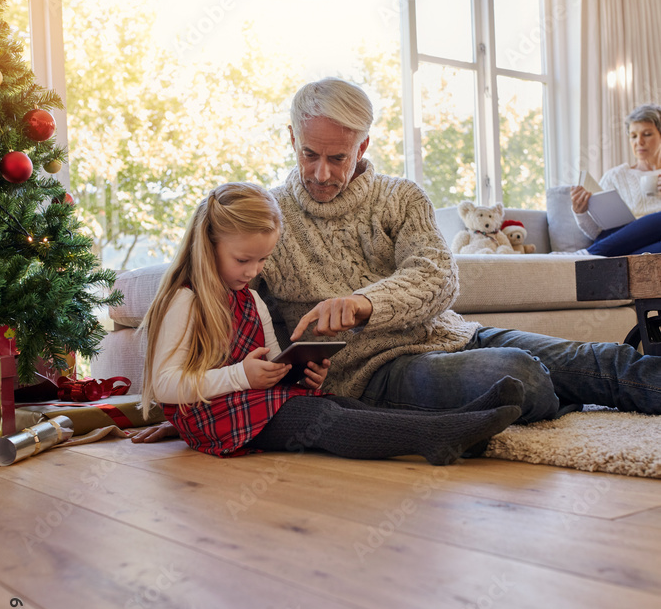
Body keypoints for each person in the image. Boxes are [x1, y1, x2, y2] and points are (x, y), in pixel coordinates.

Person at [134, 79, 661, 445]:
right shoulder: (269, 220)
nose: (320, 172)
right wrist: (189, 412)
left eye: (337, 157)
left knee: (601, 359)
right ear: (292, 140)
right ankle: (545, 396)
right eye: (309, 154)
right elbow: (218, 307)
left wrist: (364, 303)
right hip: (375, 374)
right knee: (523, 374)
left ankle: (555, 396)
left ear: (363, 144)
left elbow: (438, 276)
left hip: (455, 335)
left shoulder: (401, 197)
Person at [138, 181, 523, 464]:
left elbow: (273, 359)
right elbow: (166, 385)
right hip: (213, 415)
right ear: (208, 245)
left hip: (253, 397)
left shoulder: (250, 298)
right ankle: (434, 437)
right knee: (322, 418)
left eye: (263, 260)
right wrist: (242, 377)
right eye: (244, 261)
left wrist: (295, 370)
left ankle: (459, 425)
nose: (254, 271)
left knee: (338, 402)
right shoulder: (185, 299)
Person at [570, 104, 661, 256]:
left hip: (637, 252)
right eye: (633, 136)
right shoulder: (615, 176)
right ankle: (591, 254)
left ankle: (591, 256)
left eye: (647, 134)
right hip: (616, 239)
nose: (639, 141)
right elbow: (597, 234)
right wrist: (581, 213)